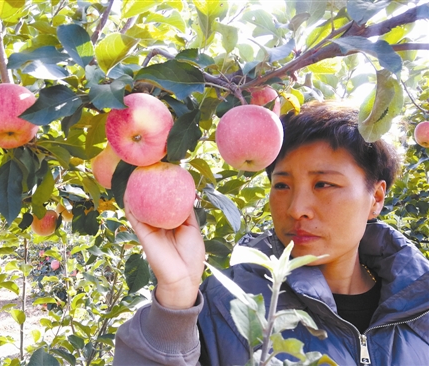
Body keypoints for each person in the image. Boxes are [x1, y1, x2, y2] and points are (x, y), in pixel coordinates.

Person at [113, 101, 429, 365]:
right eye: (281, 185)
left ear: (375, 199)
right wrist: (175, 299)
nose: (296, 209)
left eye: (323, 184)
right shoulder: (226, 306)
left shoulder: (421, 310)